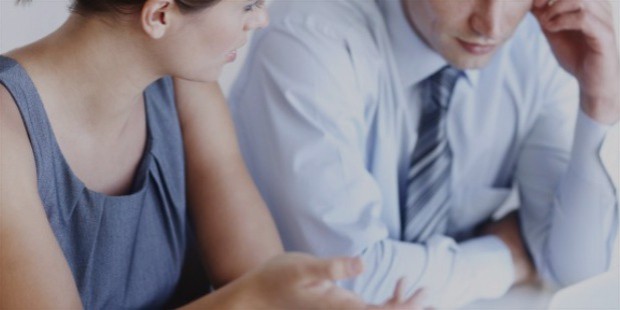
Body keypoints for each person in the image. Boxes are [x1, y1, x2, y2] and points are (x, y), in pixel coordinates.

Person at [0, 0, 422, 308]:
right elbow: (259, 289)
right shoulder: (7, 133)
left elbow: (263, 274)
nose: (262, 19)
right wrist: (246, 301)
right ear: (161, 14)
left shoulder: (186, 83)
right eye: (248, 5)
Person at [229, 0, 620, 307]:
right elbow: (346, 281)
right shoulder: (308, 39)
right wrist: (507, 257)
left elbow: (576, 271)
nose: (492, 25)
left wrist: (599, 102)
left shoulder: (536, 46)